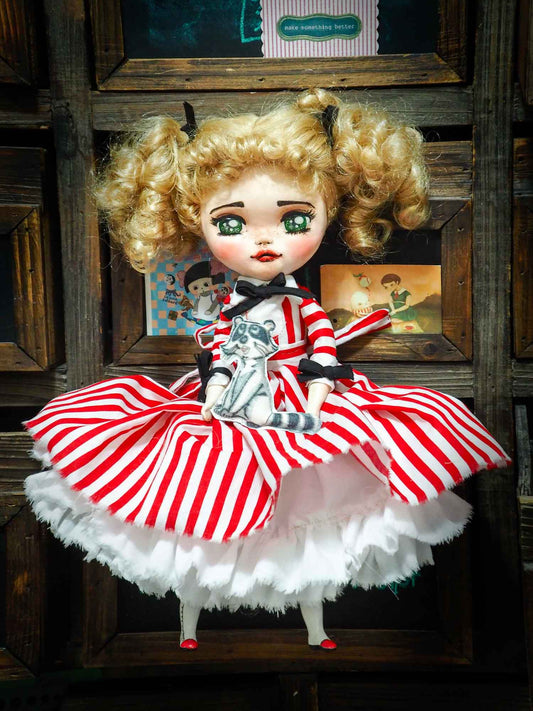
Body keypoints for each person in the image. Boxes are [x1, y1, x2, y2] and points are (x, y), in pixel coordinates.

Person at [23, 90, 510, 651]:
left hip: (296, 399)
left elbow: (321, 348)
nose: (263, 239)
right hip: (228, 402)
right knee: (198, 507)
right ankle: (188, 624)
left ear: (331, 215)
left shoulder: (302, 304)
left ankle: (315, 627)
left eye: (294, 219)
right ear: (194, 222)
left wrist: (318, 393)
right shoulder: (231, 307)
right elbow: (220, 351)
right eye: (230, 222)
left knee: (310, 520)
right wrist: (216, 390)